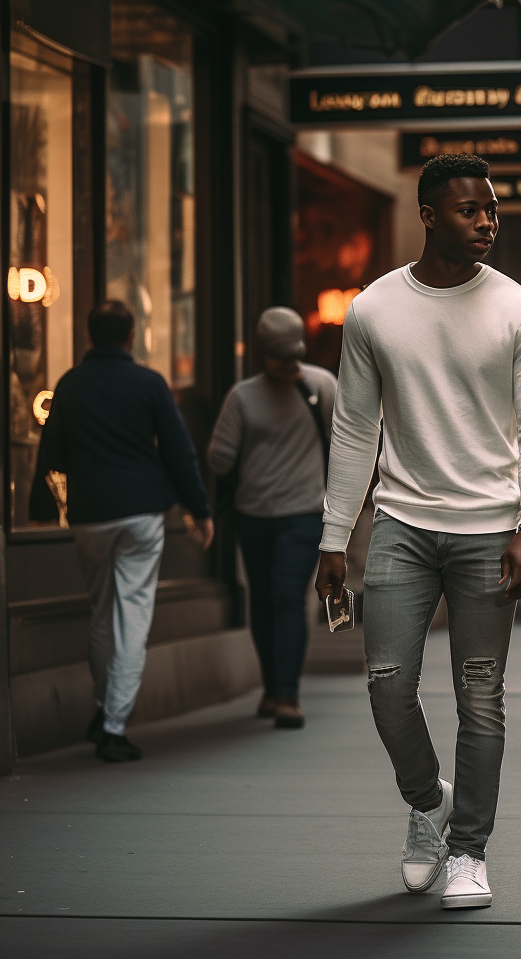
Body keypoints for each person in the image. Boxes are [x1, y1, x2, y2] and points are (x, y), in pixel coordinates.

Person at [314, 154, 521, 910]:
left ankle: (469, 851)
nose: (486, 221)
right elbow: (355, 428)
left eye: (492, 209)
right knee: (388, 687)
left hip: (493, 530)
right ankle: (428, 803)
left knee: (480, 696)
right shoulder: (374, 310)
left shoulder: (520, 310)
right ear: (428, 215)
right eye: (469, 210)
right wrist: (333, 537)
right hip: (402, 525)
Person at [29, 301, 214, 762]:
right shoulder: (148, 383)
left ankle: (102, 707)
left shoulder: (70, 384)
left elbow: (51, 449)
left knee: (101, 611)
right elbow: (178, 451)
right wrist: (199, 509)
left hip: (91, 513)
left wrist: (48, 499)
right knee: (132, 614)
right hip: (140, 513)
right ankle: (113, 725)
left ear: (89, 337)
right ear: (130, 336)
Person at [208, 307, 337, 730]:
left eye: (293, 355)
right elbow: (219, 456)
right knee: (261, 601)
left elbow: (349, 442)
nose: (289, 365)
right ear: (262, 353)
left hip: (303, 513)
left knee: (286, 597)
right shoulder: (242, 396)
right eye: (280, 357)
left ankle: (288, 694)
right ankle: (270, 687)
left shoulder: (320, 386)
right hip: (252, 514)